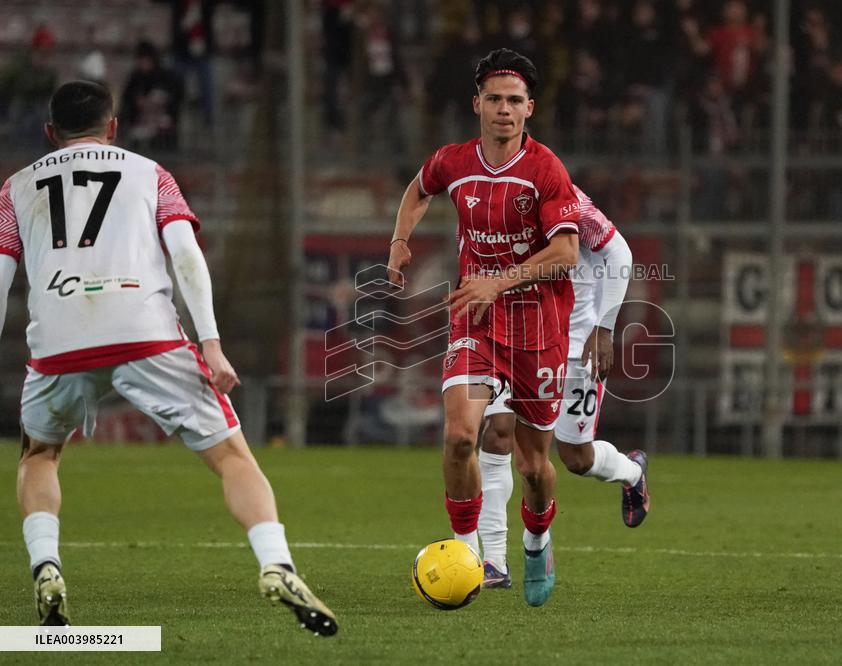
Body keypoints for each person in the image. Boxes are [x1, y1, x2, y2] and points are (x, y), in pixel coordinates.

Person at [0, 81, 337, 635]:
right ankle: (277, 564)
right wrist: (210, 342)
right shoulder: (151, 172)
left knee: (39, 455)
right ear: (112, 128)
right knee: (233, 457)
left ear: (48, 133)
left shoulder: (15, 189)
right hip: (145, 333)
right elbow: (185, 255)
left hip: (59, 341)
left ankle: (47, 566)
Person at [387, 49, 580, 607]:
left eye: (514, 101)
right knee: (459, 437)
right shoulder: (453, 160)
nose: (503, 109)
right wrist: (400, 242)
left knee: (535, 466)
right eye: (493, 99)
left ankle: (537, 541)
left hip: (538, 330)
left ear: (529, 110)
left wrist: (499, 281)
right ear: (476, 104)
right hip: (476, 320)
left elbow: (566, 252)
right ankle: (468, 556)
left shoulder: (545, 169)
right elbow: (418, 189)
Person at [476, 185, 649, 588]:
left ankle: (631, 471)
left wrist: (604, 328)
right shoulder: (486, 196)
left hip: (573, 347)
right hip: (511, 340)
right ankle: (494, 562)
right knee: (498, 435)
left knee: (576, 458)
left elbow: (619, 254)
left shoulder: (565, 198)